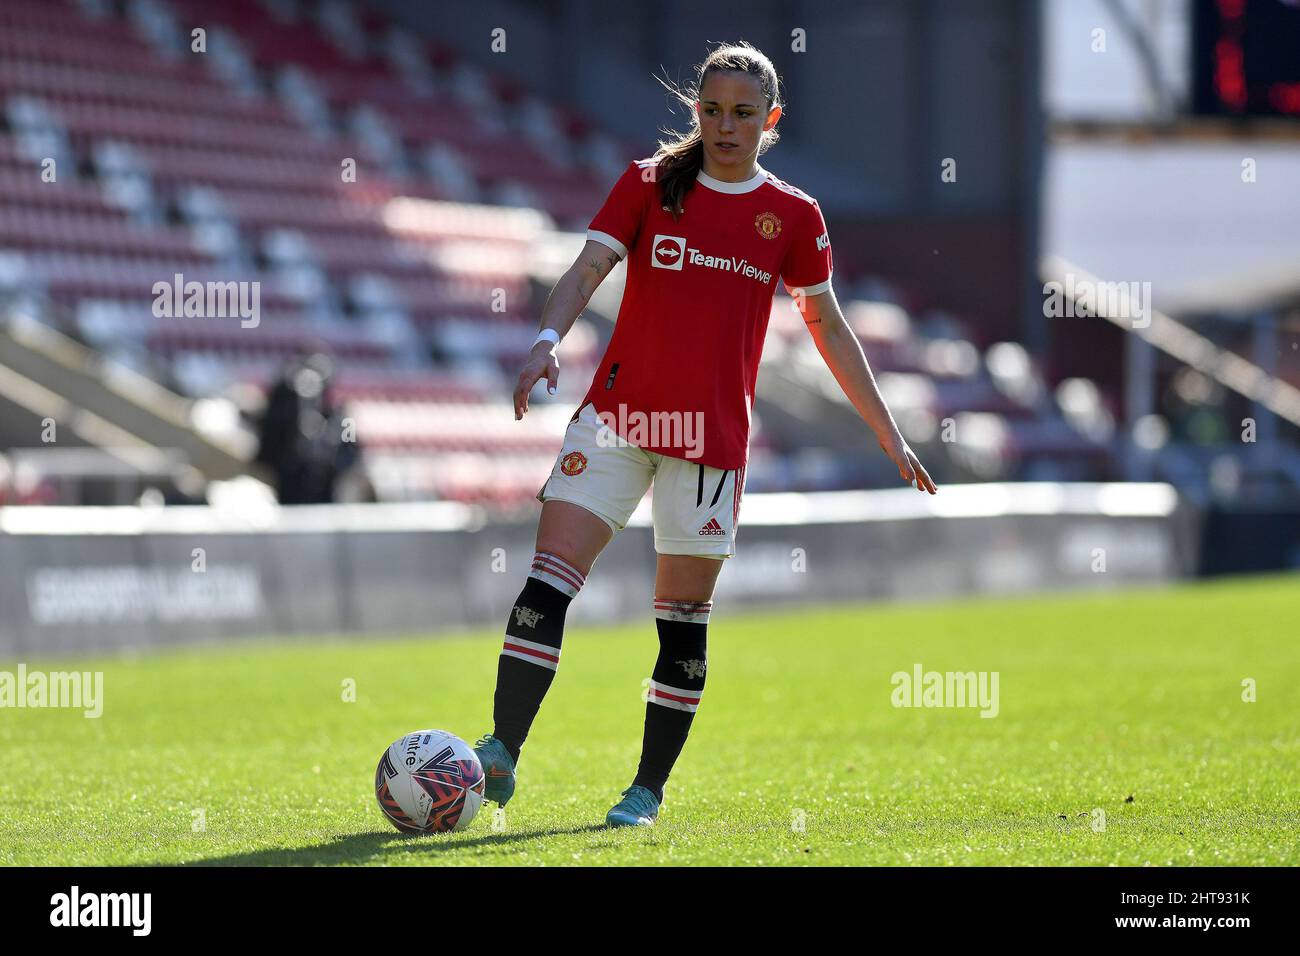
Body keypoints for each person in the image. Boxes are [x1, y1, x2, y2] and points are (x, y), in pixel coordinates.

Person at [473, 41, 936, 828]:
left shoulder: (793, 216)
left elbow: (829, 329)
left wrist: (887, 432)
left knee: (680, 623)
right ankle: (501, 752)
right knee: (546, 583)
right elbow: (587, 269)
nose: (726, 126)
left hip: (709, 444)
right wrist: (546, 340)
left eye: (743, 113)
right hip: (617, 421)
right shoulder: (649, 185)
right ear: (697, 112)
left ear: (771, 120)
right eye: (713, 110)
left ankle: (645, 788)